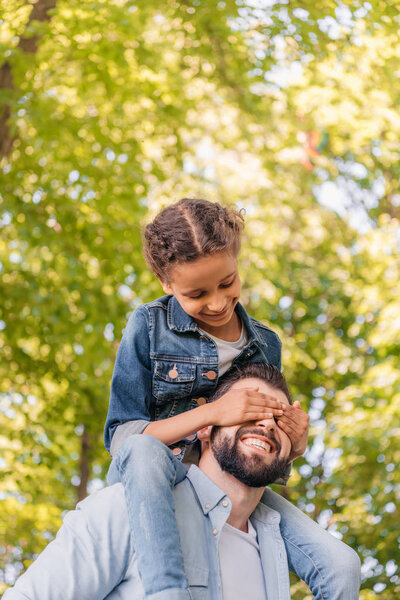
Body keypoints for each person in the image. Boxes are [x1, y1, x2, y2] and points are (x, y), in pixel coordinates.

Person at [103, 198, 357, 600]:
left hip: (231, 476)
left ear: (237, 262)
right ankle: (168, 593)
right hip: (159, 474)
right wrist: (215, 412)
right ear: (166, 284)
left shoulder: (265, 343)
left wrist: (292, 446)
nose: (218, 302)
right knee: (143, 450)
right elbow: (122, 439)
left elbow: (261, 458)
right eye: (197, 293)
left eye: (227, 283)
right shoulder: (148, 325)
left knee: (340, 565)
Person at [4, 363, 361, 599]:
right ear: (205, 427)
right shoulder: (128, 509)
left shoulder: (278, 549)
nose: (267, 424)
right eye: (250, 410)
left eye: (280, 419)